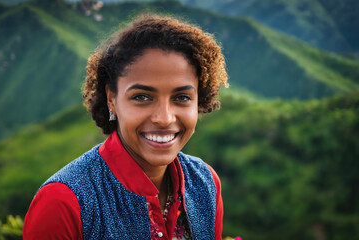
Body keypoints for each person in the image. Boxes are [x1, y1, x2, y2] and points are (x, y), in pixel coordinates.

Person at [23, 14, 228, 240]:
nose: (164, 118)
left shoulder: (205, 182)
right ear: (112, 98)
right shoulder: (63, 202)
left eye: (181, 97)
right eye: (141, 97)